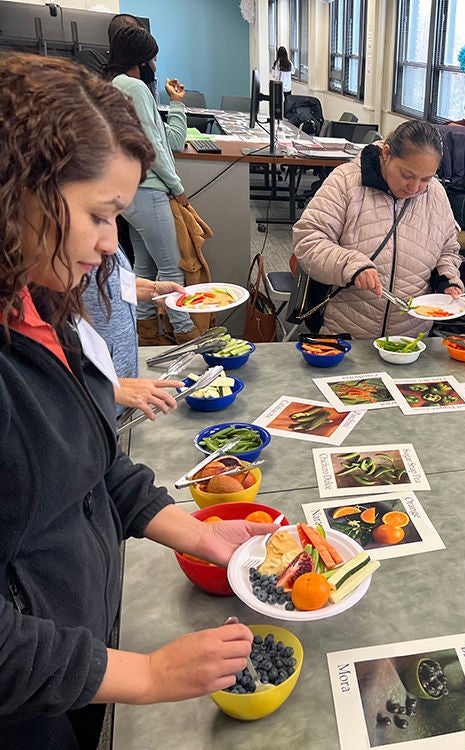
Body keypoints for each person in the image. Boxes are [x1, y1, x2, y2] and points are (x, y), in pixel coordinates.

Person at [0, 54, 274, 749]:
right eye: (99, 214)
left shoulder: (43, 304)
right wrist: (146, 674)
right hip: (28, 703)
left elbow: (88, 466)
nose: (108, 244)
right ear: (17, 194)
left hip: (75, 658)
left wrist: (195, 532)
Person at [293, 120, 464, 339]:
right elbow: (308, 240)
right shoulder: (345, 181)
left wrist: (447, 279)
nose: (414, 188)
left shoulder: (436, 194)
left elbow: (448, 250)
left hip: (410, 337)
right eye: (407, 175)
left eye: (426, 179)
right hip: (346, 332)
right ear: (386, 153)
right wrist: (351, 265)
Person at [105, 25, 198, 345]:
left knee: (143, 266)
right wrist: (177, 187)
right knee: (174, 268)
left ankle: (146, 334)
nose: (156, 66)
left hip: (131, 192)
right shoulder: (135, 88)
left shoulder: (117, 85)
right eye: (154, 59)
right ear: (142, 60)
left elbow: (170, 139)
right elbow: (153, 147)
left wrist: (175, 102)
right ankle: (187, 334)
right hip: (150, 190)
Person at [81, 249, 186, 419]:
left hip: (118, 397)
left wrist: (151, 289)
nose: (111, 243)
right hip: (92, 406)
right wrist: (110, 388)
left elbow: (114, 280)